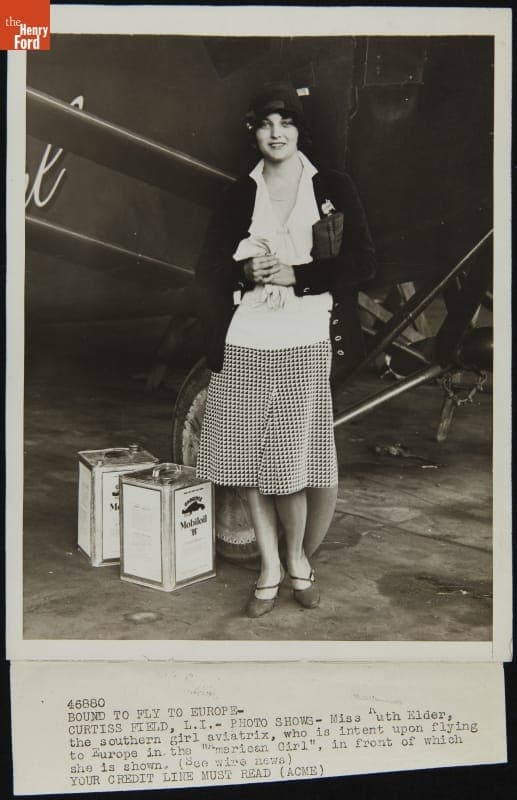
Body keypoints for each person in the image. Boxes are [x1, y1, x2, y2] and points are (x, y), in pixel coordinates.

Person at [195, 82, 376, 617]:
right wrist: (242, 270)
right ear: (253, 133)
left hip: (304, 337)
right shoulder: (238, 193)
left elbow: (364, 263)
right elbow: (206, 271)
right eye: (265, 125)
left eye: (286, 123)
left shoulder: (331, 186)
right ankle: (270, 566)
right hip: (247, 338)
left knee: (289, 464)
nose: (276, 134)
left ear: (300, 130)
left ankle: (297, 558)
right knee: (249, 461)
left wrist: (299, 274)